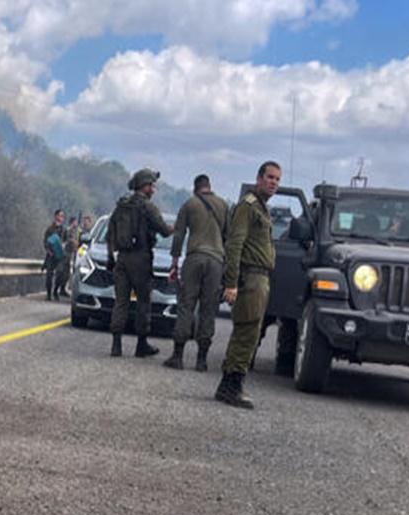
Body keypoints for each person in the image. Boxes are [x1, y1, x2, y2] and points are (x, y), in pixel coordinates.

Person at [216, 160, 281, 408]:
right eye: (270, 177)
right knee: (246, 331)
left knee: (250, 332)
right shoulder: (249, 206)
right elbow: (235, 244)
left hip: (261, 277)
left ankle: (230, 383)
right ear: (259, 178)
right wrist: (231, 283)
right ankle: (231, 385)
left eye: (277, 179)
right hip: (250, 277)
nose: (273, 182)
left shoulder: (262, 209)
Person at [106, 168, 173, 357]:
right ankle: (141, 344)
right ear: (145, 186)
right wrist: (177, 227)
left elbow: (110, 234)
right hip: (141, 259)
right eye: (152, 185)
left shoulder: (121, 206)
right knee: (144, 302)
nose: (153, 189)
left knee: (121, 302)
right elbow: (164, 231)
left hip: (122, 259)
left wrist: (111, 257)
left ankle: (116, 345)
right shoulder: (148, 207)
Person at [165, 174, 228, 372]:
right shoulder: (224, 206)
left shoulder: (189, 205)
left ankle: (178, 356)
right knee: (208, 309)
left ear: (195, 188)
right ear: (210, 187)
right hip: (216, 261)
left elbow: (179, 235)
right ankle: (201, 360)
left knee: (186, 306)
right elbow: (229, 237)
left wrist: (174, 262)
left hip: (194, 258)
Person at [42, 209, 67, 300]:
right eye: (60, 216)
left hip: (60, 256)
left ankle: (55, 291)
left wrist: (63, 246)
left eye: (63, 216)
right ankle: (48, 294)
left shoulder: (64, 230)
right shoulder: (49, 229)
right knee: (49, 275)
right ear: (55, 216)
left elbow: (66, 241)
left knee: (60, 273)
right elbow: (45, 242)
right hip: (51, 255)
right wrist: (49, 251)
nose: (61, 218)